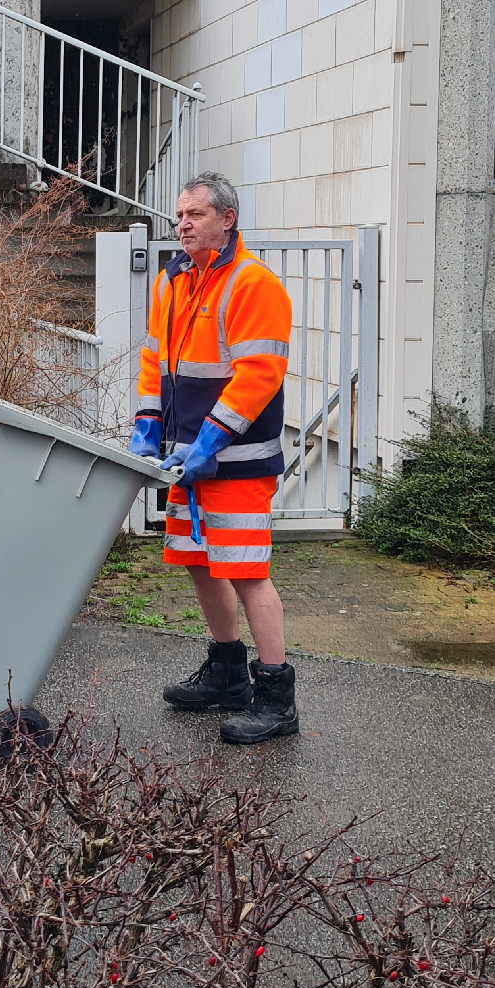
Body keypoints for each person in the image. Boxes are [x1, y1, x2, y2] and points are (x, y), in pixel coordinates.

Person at [128, 172, 297, 743]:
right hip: (186, 459)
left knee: (248, 574)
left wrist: (210, 441)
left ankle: (276, 698)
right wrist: (147, 425)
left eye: (195, 215)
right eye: (179, 215)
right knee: (198, 563)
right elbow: (154, 360)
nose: (182, 224)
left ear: (227, 219)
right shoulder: (173, 281)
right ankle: (226, 673)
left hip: (238, 461)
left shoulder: (254, 285)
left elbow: (257, 375)